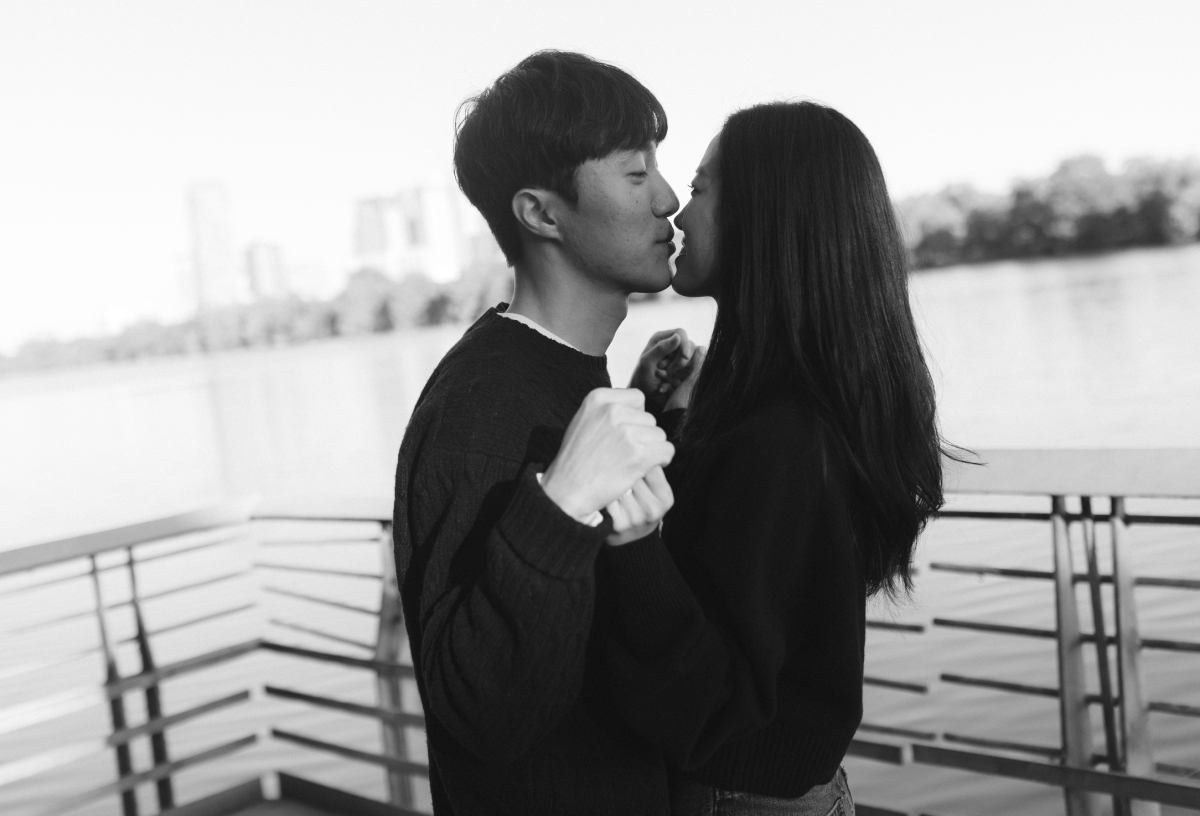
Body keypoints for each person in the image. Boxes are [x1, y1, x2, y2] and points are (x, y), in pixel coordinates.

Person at [599, 101, 951, 815]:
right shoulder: (802, 414)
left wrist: (631, 548)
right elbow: (731, 578)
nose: (673, 208)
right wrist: (661, 416)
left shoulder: (781, 440)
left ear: (767, 216)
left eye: (699, 188)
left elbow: (725, 703)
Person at [392, 50, 691, 815]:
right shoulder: (479, 409)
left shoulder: (560, 375)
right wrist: (557, 508)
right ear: (543, 213)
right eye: (634, 173)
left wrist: (646, 417)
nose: (668, 198)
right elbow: (481, 713)